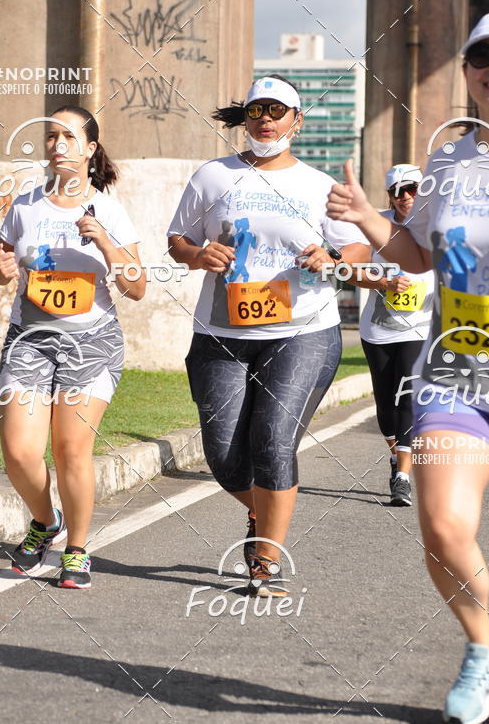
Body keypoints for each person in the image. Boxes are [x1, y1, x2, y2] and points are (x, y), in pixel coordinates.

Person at [327, 10, 489, 724]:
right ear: (467, 71)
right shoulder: (451, 159)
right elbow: (418, 254)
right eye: (482, 54)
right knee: (444, 527)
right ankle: (483, 645)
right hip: (453, 376)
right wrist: (368, 216)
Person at [167, 75, 367, 597]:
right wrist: (197, 255)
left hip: (303, 331)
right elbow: (178, 240)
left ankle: (267, 560)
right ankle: (264, 510)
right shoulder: (213, 177)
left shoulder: (320, 185)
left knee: (274, 439)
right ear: (247, 118)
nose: (265, 120)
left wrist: (333, 257)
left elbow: (359, 249)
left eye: (277, 111)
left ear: (296, 122)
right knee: (223, 454)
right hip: (220, 332)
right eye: (257, 110)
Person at [0, 106, 145, 589]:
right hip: (30, 340)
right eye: (51, 136)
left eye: (68, 137)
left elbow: (137, 288)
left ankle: (76, 548)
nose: (57, 144)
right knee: (19, 451)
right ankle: (45, 521)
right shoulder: (26, 205)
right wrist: (1, 269)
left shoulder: (110, 210)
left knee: (70, 447)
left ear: (90, 149)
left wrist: (106, 244)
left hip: (90, 343)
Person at [357, 164, 434, 507]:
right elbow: (352, 272)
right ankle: (396, 454)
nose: (405, 196)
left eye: (412, 188)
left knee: (408, 399)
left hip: (421, 327)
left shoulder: (438, 223)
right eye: (397, 191)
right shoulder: (375, 224)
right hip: (378, 330)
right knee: (385, 407)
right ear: (389, 195)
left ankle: (402, 476)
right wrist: (383, 282)